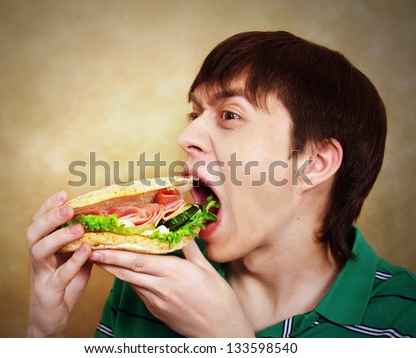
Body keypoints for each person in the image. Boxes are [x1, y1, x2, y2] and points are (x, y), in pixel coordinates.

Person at [26, 31, 416, 338]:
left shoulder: (404, 319)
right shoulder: (156, 281)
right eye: (195, 113)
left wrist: (227, 341)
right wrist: (44, 332)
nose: (187, 135)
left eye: (230, 114)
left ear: (313, 164)